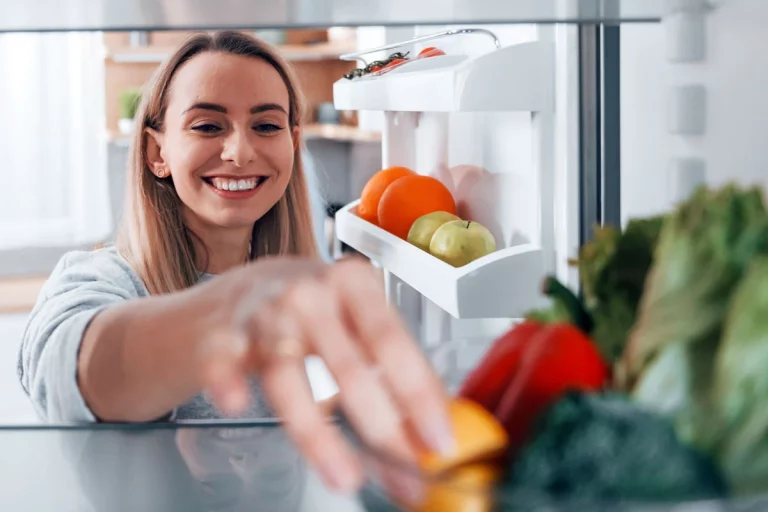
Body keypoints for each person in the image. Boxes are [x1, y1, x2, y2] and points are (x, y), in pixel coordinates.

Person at [17, 30, 452, 492]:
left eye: (266, 126)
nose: (240, 153)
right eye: (207, 126)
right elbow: (72, 371)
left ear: (292, 142)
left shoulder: (285, 303)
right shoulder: (96, 278)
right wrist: (231, 308)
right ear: (156, 151)